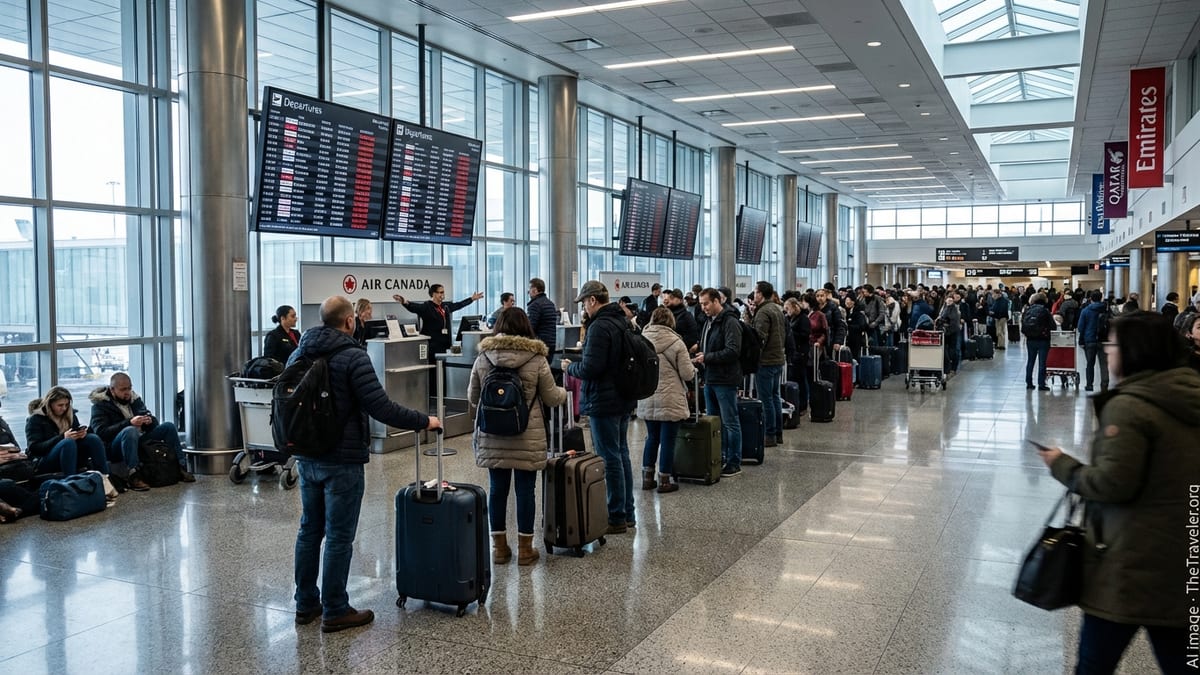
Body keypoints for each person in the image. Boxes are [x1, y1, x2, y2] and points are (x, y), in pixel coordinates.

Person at [1035, 311, 1199, 674]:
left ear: (1133, 350)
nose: (1107, 352)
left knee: (1094, 662)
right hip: (1186, 559)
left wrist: (1062, 464)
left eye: (1112, 345)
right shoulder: (1190, 392)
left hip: (1130, 560)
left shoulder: (1130, 406)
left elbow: (1111, 484)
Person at [290, 295, 442, 633]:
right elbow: (382, 408)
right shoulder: (352, 357)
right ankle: (335, 608)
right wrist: (423, 420)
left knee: (309, 530)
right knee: (340, 536)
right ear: (349, 322)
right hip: (341, 459)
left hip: (306, 455)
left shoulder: (299, 352)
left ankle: (305, 604)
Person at [467, 307, 565, 566]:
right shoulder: (536, 358)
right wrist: (566, 393)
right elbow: (552, 397)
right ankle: (525, 550)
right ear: (526, 327)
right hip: (527, 435)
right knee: (525, 491)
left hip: (492, 434)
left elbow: (473, 398)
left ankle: (499, 550)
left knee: (497, 490)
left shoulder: (484, 357)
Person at [561, 281, 637, 534]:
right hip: (623, 396)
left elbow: (591, 368)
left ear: (592, 300)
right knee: (621, 453)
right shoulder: (621, 321)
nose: (584, 307)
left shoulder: (599, 326)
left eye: (584, 302)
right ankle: (627, 512)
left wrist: (569, 367)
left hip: (604, 400)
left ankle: (615, 515)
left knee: (609, 457)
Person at [90, 372, 194, 489]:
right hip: (114, 446)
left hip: (138, 439)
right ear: (112, 390)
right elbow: (101, 432)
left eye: (129, 388)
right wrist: (129, 422)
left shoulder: (134, 399)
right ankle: (134, 475)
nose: (127, 393)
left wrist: (149, 420)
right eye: (123, 390)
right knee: (130, 430)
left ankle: (180, 466)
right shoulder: (99, 406)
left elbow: (152, 422)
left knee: (168, 427)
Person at [637, 307, 695, 494]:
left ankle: (647, 478)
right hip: (671, 397)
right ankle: (664, 480)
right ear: (671, 322)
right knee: (668, 440)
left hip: (647, 395)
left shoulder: (641, 340)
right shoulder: (677, 343)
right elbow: (687, 374)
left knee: (651, 437)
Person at [394, 284, 485, 397]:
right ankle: (433, 396)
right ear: (433, 294)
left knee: (442, 372)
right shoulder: (427, 307)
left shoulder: (445, 307)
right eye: (440, 292)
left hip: (444, 345)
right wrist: (404, 302)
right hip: (432, 346)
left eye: (443, 292)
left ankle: (441, 395)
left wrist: (471, 299)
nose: (443, 295)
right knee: (434, 373)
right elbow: (413, 307)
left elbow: (458, 305)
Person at [693, 287, 743, 477]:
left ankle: (733, 461)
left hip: (726, 379)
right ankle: (718, 457)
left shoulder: (730, 322)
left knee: (730, 421)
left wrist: (707, 357)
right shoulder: (709, 322)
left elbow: (732, 350)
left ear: (716, 301)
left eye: (706, 304)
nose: (703, 308)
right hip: (711, 377)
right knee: (714, 422)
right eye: (701, 304)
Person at [25, 387, 109, 476]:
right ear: (49, 404)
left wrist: (81, 434)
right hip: (44, 459)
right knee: (67, 442)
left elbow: (75, 433)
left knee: (93, 438)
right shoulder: (35, 419)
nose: (64, 408)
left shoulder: (70, 415)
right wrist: (62, 437)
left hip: (71, 453)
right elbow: (34, 448)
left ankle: (104, 476)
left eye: (66, 405)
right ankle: (71, 480)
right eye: (60, 405)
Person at [751, 282, 786, 448]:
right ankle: (778, 432)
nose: (753, 295)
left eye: (755, 292)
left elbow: (759, 338)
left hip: (766, 360)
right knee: (775, 397)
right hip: (778, 357)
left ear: (760, 294)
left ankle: (769, 434)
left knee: (766, 399)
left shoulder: (763, 311)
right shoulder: (777, 309)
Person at [1076, 290, 1111, 391]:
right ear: (1101, 298)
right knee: (1104, 364)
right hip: (1104, 340)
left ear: (1090, 299)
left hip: (1090, 340)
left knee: (1090, 364)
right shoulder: (1106, 310)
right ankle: (1104, 385)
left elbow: (1080, 327)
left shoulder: (1086, 310)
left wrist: (1081, 340)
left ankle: (1089, 385)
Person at [1022, 293, 1054, 390]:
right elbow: (1052, 325)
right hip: (1043, 340)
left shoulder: (1027, 310)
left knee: (1030, 361)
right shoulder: (1045, 311)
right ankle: (1041, 384)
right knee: (1042, 363)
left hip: (1030, 339)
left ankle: (1029, 383)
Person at [526, 278, 558, 355]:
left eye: (529, 289)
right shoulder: (550, 304)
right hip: (551, 343)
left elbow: (531, 327)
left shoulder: (534, 305)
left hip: (540, 345)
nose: (528, 292)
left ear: (534, 290)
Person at [663, 288, 699, 353]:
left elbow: (693, 335)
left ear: (680, 300)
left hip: (680, 350)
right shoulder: (666, 314)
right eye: (670, 298)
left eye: (673, 298)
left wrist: (679, 345)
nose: (670, 300)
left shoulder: (686, 316)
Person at [815, 288, 846, 358]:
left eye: (822, 296)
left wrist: (838, 341)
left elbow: (840, 325)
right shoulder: (814, 308)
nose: (820, 298)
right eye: (817, 296)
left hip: (830, 337)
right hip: (817, 339)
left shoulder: (833, 308)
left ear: (826, 296)